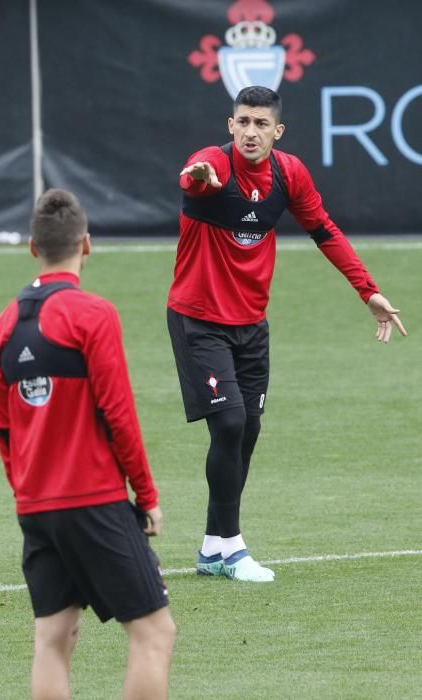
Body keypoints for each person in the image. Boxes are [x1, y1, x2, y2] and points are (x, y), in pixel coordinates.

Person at [170, 85, 407, 583]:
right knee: (231, 423)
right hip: (199, 321)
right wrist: (198, 177)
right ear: (230, 124)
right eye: (243, 122)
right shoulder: (213, 164)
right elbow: (193, 176)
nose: (250, 132)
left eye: (261, 124)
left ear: (277, 131)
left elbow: (324, 229)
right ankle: (233, 549)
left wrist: (369, 292)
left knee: (248, 431)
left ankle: (214, 548)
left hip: (252, 325)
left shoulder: (288, 173)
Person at [0, 189, 175, 700]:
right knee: (154, 633)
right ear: (86, 245)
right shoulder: (92, 315)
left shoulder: (1, 327)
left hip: (36, 505)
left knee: (54, 636)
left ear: (32, 248)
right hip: (93, 500)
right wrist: (147, 496)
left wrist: (25, 490)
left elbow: (4, 429)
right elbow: (119, 415)